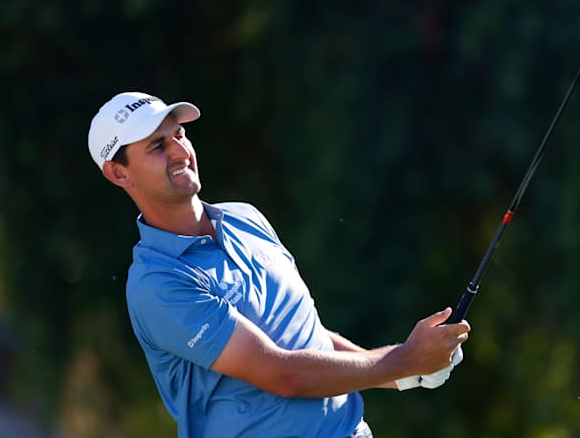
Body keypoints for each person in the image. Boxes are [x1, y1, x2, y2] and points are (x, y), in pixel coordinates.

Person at [88, 91, 471, 438]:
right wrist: (401, 360)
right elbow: (282, 373)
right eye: (158, 145)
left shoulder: (245, 218)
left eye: (180, 136)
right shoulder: (158, 283)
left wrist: (405, 373)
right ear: (118, 172)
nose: (180, 152)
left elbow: (307, 336)